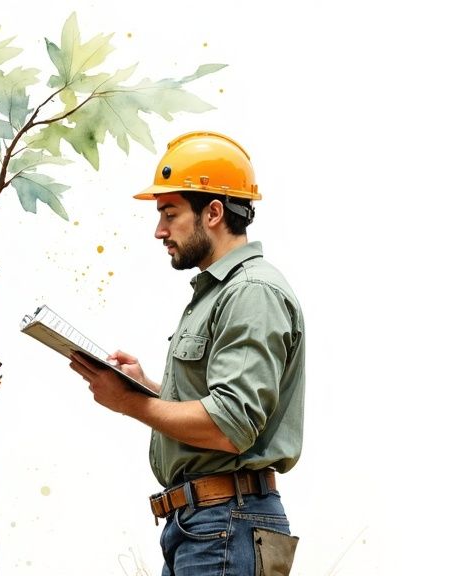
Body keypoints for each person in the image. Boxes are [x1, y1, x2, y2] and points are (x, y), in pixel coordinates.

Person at [69, 131, 305, 575]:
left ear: (213, 212)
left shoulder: (251, 293)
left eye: (169, 213)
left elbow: (230, 426)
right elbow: (219, 406)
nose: (160, 230)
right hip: (208, 526)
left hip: (225, 525)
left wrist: (130, 403)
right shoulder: (220, 294)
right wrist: (148, 388)